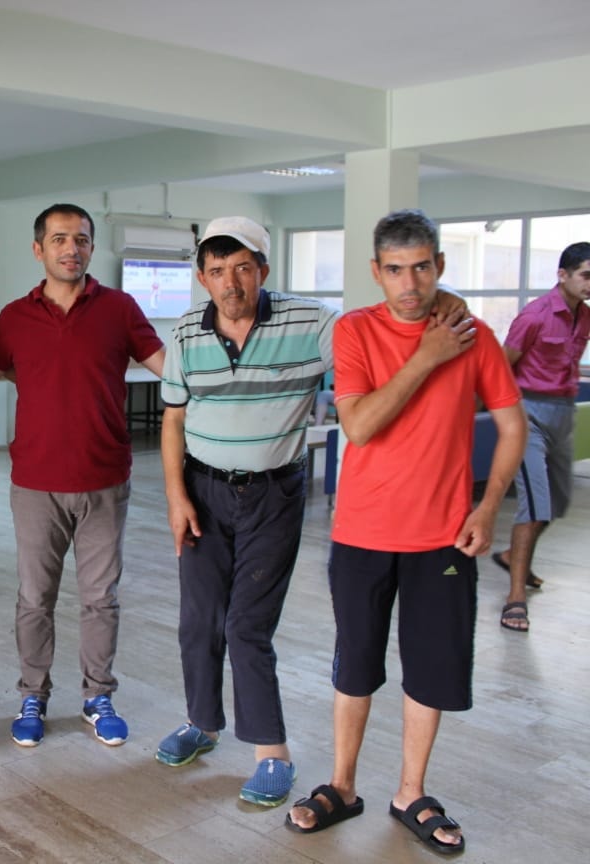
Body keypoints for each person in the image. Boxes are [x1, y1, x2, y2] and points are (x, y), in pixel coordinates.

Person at [286, 209, 525, 856]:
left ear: (439, 265)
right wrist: (426, 358)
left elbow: (512, 426)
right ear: (376, 271)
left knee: (431, 670)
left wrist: (488, 508)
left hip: (443, 539)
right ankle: (342, 786)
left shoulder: (472, 335)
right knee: (355, 665)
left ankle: (410, 792)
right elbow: (360, 426)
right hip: (362, 534)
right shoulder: (356, 331)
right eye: (395, 270)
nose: (410, 284)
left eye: (422, 267)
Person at [0, 203, 165, 748]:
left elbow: (166, 368)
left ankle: (98, 697)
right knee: (35, 598)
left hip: (105, 480)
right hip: (36, 483)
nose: (71, 249)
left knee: (101, 599)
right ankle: (33, 694)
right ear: (39, 250)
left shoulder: (120, 308)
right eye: (59, 239)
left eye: (80, 239)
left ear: (91, 247)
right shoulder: (15, 317)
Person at [156, 216, 335, 807]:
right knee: (199, 619)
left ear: (263, 270)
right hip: (203, 490)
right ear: (202, 277)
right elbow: (174, 419)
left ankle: (271, 752)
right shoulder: (187, 332)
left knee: (246, 626)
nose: (230, 283)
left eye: (242, 269)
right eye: (217, 271)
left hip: (273, 495)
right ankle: (202, 724)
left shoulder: (312, 322)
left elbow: (371, 345)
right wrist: (177, 497)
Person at [490, 241, 590, 632]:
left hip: (562, 413)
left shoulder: (584, 316)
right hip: (528, 414)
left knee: (557, 503)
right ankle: (515, 598)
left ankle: (511, 556)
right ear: (562, 275)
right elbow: (501, 368)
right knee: (534, 506)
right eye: (585, 275)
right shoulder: (534, 316)